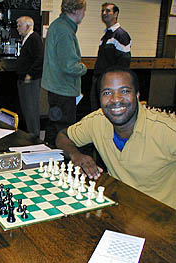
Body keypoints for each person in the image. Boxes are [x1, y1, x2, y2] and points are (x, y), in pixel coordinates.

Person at [56, 67, 176, 209]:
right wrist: (76, 155)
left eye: (124, 91)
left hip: (162, 219)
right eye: (107, 93)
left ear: (137, 95)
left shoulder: (167, 129)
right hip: (119, 207)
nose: (116, 99)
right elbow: (62, 137)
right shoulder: (97, 120)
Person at [41, 0, 87, 147]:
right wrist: (83, 68)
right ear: (76, 10)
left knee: (54, 127)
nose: (84, 14)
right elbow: (69, 66)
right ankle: (60, 164)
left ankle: (49, 160)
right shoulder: (65, 30)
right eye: (84, 10)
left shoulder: (58, 25)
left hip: (56, 88)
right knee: (64, 131)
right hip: (64, 89)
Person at [90, 2, 131, 111]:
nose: (104, 13)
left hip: (109, 84)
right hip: (100, 80)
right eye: (102, 11)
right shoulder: (106, 36)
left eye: (108, 11)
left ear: (116, 14)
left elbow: (124, 63)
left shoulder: (121, 35)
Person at [16, 16, 44, 137]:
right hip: (25, 79)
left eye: (19, 25)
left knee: (31, 109)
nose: (17, 28)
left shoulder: (34, 38)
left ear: (28, 26)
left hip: (30, 80)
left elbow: (40, 58)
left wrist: (30, 74)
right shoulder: (28, 39)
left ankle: (34, 137)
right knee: (27, 109)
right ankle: (31, 134)